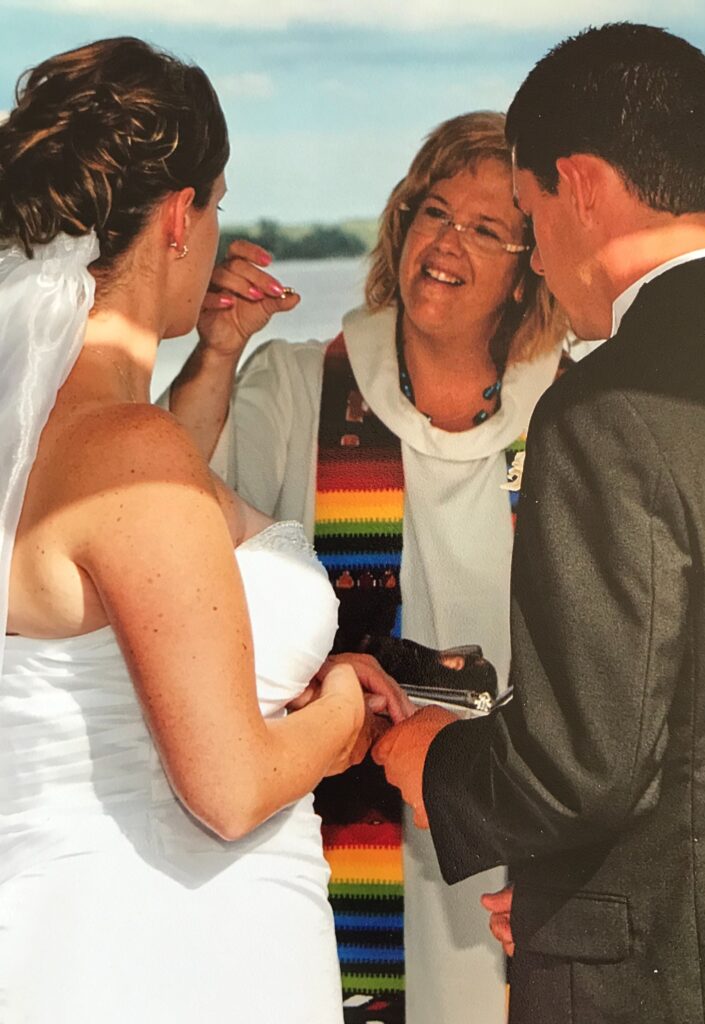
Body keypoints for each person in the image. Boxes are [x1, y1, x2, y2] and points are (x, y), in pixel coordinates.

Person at [0, 36, 410, 1024]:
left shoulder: (55, 432)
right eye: (217, 202)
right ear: (181, 214)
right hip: (171, 946)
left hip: (93, 926)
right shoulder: (125, 449)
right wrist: (344, 711)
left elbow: (144, 556)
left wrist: (218, 351)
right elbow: (226, 789)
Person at [373, 21, 705, 1024]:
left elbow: (585, 758)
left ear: (579, 185)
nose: (538, 255)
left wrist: (431, 762)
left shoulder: (605, 409)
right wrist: (571, 899)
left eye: (529, 209)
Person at [168, 111, 566, 1023]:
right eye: (434, 211)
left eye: (487, 228)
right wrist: (218, 353)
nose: (447, 241)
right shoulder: (299, 386)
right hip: (338, 812)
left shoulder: (569, 408)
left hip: (515, 830)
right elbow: (170, 516)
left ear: (529, 266)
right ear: (400, 225)